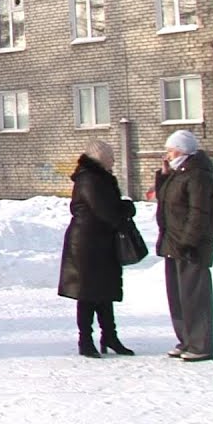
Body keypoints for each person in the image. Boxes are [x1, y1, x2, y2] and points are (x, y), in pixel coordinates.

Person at [57, 140, 135, 358]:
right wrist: (126, 209)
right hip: (87, 245)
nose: (113, 160)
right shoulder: (89, 179)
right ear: (100, 158)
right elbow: (106, 211)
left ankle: (109, 336)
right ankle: (85, 340)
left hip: (99, 242)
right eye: (110, 156)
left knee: (105, 291)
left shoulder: (99, 177)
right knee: (88, 293)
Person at [154, 129, 213, 362]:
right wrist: (162, 176)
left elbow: (199, 213)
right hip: (174, 243)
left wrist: (188, 241)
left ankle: (200, 344)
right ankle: (185, 340)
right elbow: (164, 201)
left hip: (191, 246)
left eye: (171, 150)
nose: (168, 154)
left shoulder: (198, 175)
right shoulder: (177, 174)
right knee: (178, 296)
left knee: (195, 297)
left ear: (182, 151)